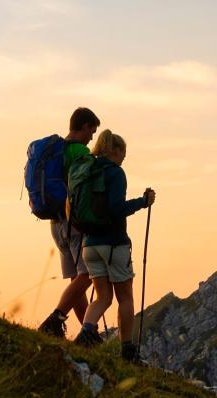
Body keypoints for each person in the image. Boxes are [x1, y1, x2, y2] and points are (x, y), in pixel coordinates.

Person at [73, 129, 155, 361]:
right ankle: (127, 351)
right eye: (123, 153)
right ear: (115, 151)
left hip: (89, 245)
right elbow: (116, 209)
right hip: (113, 244)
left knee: (102, 298)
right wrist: (143, 202)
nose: (124, 157)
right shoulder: (115, 173)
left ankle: (86, 334)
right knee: (125, 298)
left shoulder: (86, 170)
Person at [38, 107, 101, 337]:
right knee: (88, 275)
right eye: (92, 132)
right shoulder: (78, 152)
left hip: (55, 223)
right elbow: (93, 184)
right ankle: (55, 320)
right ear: (84, 127)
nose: (92, 137)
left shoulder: (58, 150)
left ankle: (88, 334)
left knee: (77, 278)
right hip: (73, 222)